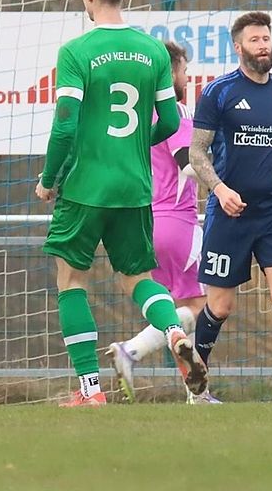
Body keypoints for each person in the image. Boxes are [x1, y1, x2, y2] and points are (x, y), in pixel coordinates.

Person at [34, 0, 206, 408]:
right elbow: (171, 121)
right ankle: (174, 331)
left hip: (85, 187)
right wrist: (133, 147)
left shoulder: (76, 51)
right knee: (138, 279)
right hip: (134, 189)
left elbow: (65, 125)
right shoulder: (153, 52)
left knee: (71, 281)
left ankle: (91, 389)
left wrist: (49, 179)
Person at [186, 12, 272, 403]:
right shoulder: (219, 92)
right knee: (220, 305)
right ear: (238, 46)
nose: (263, 46)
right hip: (229, 213)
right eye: (255, 40)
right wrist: (220, 189)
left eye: (266, 39)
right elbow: (197, 151)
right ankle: (197, 386)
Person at [107, 41, 207, 403]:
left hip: (141, 222)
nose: (186, 78)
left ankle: (197, 395)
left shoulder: (134, 115)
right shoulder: (173, 113)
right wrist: (221, 181)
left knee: (171, 309)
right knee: (202, 307)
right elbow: (187, 163)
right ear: (170, 73)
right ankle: (131, 350)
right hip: (177, 221)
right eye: (184, 71)